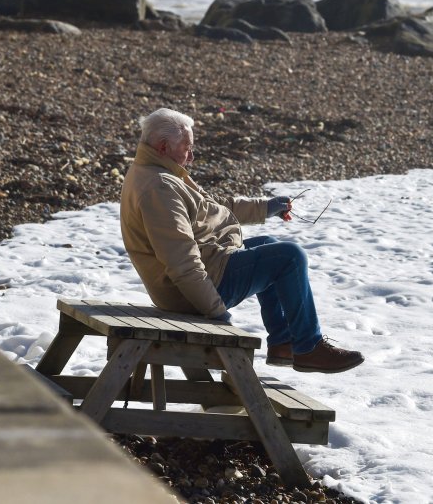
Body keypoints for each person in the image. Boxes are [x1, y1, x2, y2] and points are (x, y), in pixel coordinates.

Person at [120, 107, 364, 374]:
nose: (192, 155)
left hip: (202, 270)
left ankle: (283, 343)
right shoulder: (160, 187)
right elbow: (181, 261)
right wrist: (217, 314)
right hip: (188, 293)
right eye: (187, 147)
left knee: (269, 244)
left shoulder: (159, 171)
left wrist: (265, 207)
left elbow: (211, 207)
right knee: (289, 257)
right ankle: (308, 348)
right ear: (164, 146)